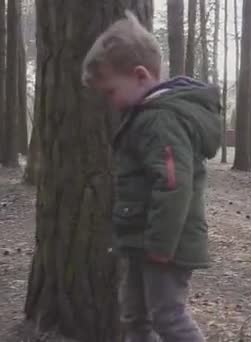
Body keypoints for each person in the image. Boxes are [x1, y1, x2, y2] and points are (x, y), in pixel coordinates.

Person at [81, 11, 221, 342]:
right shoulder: (145, 117)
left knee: (168, 317)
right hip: (144, 242)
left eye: (111, 91)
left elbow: (174, 185)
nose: (110, 103)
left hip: (165, 245)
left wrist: (159, 247)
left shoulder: (160, 122)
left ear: (141, 76)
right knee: (135, 315)